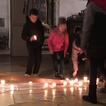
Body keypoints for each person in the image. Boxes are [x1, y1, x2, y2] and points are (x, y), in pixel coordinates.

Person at [81, 0, 106, 104]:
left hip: (95, 43)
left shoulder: (92, 6)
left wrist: (83, 46)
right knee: (102, 66)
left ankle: (92, 96)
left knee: (93, 68)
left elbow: (87, 27)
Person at [21, 8, 44, 77]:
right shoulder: (26, 25)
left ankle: (35, 72)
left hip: (38, 44)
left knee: (38, 59)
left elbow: (42, 34)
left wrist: (41, 41)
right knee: (31, 57)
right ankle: (28, 73)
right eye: (33, 17)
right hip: (30, 44)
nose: (34, 19)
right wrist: (29, 38)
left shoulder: (39, 24)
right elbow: (23, 36)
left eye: (36, 18)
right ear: (29, 16)